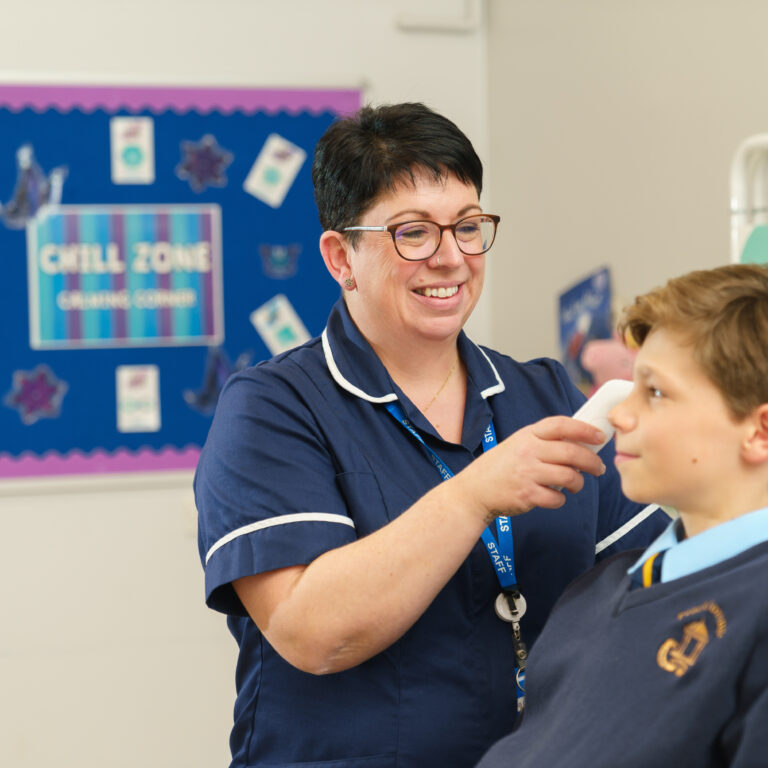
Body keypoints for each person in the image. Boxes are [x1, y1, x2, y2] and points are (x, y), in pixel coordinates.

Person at [194, 102, 668, 768]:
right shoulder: (273, 410)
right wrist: (473, 495)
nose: (451, 259)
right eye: (413, 233)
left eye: (469, 227)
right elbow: (311, 632)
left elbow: (658, 581)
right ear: (340, 257)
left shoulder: (546, 395)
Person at [475, 263, 768, 768]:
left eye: (654, 393)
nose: (619, 414)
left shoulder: (753, 615)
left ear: (759, 431)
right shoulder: (592, 594)